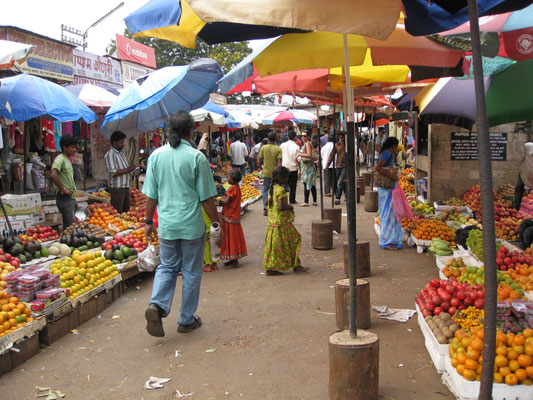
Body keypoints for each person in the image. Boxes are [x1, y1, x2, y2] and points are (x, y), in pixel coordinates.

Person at [142, 111, 222, 337]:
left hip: (167, 226)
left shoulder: (156, 156)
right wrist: (216, 223)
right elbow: (206, 198)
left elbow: (151, 197)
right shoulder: (196, 158)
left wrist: (148, 222)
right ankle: (186, 319)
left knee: (167, 267)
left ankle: (157, 305)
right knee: (191, 271)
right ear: (191, 130)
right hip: (191, 228)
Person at [263, 166, 309, 276]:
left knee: (274, 247)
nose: (287, 179)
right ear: (281, 178)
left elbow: (266, 203)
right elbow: (280, 206)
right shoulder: (281, 189)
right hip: (281, 223)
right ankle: (295, 266)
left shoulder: (272, 189)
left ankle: (273, 267)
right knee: (294, 241)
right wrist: (289, 206)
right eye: (286, 177)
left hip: (273, 223)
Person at [375, 137, 402, 250]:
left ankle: (390, 240)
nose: (397, 148)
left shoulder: (387, 154)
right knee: (388, 213)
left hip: (386, 189)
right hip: (386, 188)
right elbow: (378, 167)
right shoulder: (387, 153)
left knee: (389, 212)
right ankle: (387, 241)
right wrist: (391, 175)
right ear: (393, 146)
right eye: (396, 146)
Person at [218, 169, 247, 266]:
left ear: (233, 179)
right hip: (234, 216)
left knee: (231, 238)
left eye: (228, 177)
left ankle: (234, 260)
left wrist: (219, 200)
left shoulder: (232, 188)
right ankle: (232, 257)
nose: (227, 179)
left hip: (230, 216)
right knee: (233, 237)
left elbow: (226, 201)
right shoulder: (237, 187)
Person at [104, 131, 137, 213]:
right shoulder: (110, 154)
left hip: (125, 187)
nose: (123, 145)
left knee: (126, 212)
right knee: (117, 212)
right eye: (121, 142)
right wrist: (128, 169)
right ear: (114, 143)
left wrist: (130, 168)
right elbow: (113, 172)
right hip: (117, 188)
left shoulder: (121, 153)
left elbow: (124, 168)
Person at [50, 135, 78, 229]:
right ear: (65, 147)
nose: (75, 150)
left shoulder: (67, 160)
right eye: (72, 147)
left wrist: (73, 200)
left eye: (75, 147)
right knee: (70, 227)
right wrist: (63, 189)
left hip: (69, 198)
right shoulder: (60, 159)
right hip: (64, 197)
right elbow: (53, 174)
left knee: (69, 225)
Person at [258, 132, 282, 215]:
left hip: (266, 172)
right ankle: (274, 207)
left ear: (268, 139)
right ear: (275, 139)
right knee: (275, 190)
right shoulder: (278, 149)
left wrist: (261, 167)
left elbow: (260, 160)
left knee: (266, 189)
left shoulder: (263, 148)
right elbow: (279, 162)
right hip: (275, 173)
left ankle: (266, 207)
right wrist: (279, 172)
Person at [280, 130, 301, 204]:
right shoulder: (296, 147)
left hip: (285, 167)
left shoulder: (282, 145)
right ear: (295, 137)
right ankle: (292, 200)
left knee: (283, 185)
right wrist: (300, 169)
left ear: (288, 137)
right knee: (293, 185)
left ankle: (282, 199)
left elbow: (280, 156)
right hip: (293, 168)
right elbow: (298, 159)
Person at [298, 132, 318, 207]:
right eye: (302, 136)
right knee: (312, 184)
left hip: (307, 167)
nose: (303, 137)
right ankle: (314, 201)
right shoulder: (309, 144)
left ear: (308, 137)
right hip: (309, 166)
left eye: (305, 136)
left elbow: (309, 155)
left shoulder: (307, 144)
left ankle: (306, 202)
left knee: (306, 183)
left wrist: (299, 154)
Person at [514, 142, 533, 210]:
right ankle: (516, 207)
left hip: (531, 178)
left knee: (530, 197)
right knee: (519, 190)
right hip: (524, 174)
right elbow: (526, 145)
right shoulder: (529, 147)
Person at [328, 132, 346, 205]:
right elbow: (332, 156)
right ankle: (346, 194)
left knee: (341, 181)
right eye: (340, 137)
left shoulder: (347, 145)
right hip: (338, 165)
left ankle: (337, 197)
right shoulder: (336, 145)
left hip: (345, 166)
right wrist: (327, 165)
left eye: (342, 138)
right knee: (342, 181)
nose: (341, 139)